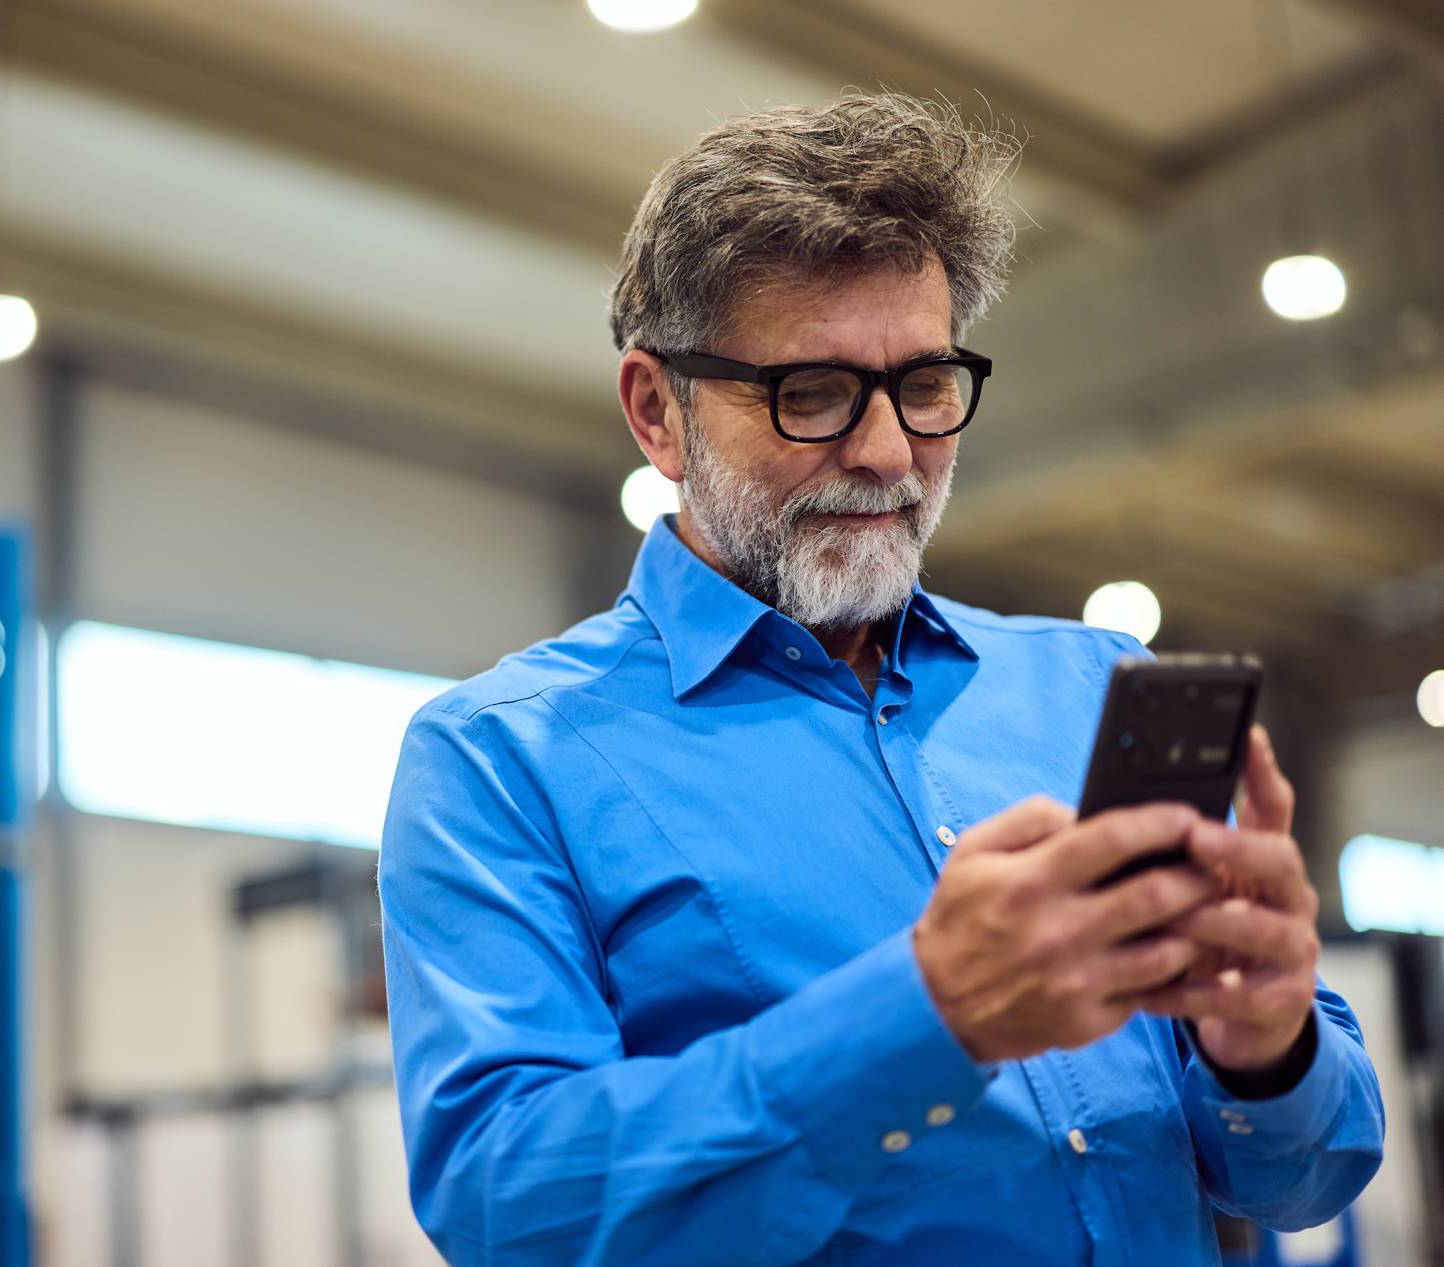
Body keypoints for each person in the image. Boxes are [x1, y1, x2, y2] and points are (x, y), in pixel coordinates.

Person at [377, 93, 1384, 1266]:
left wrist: (1263, 1046)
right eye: (808, 392)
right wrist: (924, 1014)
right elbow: (510, 1203)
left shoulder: (1097, 687)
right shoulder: (501, 761)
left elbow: (1310, 1171)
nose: (888, 451)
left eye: (925, 383)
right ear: (659, 412)